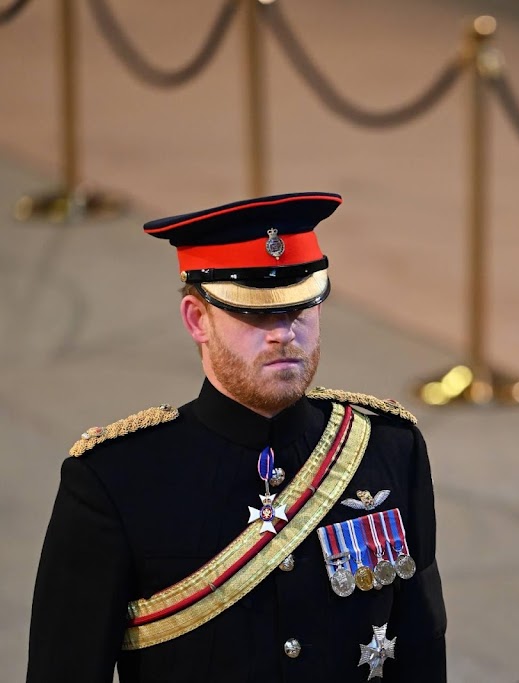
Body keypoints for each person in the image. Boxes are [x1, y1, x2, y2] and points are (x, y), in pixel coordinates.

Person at [27, 192, 446, 682]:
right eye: (256, 314)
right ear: (197, 320)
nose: (283, 333)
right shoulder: (115, 480)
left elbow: (421, 651)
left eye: (300, 308)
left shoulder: (389, 448)